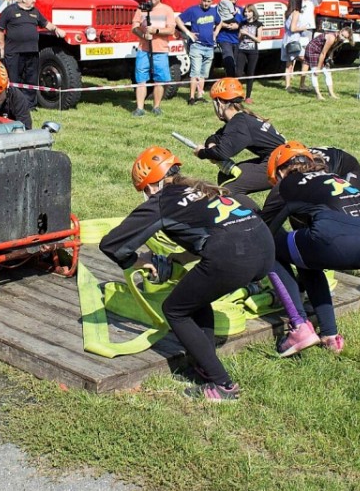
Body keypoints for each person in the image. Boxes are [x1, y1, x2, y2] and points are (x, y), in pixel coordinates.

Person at [99, 147, 273, 402]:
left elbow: (112, 244)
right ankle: (205, 362)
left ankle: (223, 386)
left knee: (175, 309)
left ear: (151, 186)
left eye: (144, 191)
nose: (146, 196)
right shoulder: (203, 188)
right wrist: (179, 258)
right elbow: (218, 228)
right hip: (265, 249)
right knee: (194, 299)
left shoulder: (161, 201)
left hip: (235, 256)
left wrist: (137, 260)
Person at [262, 141, 360, 356]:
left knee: (269, 246)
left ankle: (299, 325)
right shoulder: (332, 176)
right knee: (306, 256)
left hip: (338, 241)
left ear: (280, 171)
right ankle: (330, 335)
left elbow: (264, 231)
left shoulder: (287, 184)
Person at [195, 77, 286, 197]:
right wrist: (211, 145)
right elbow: (215, 137)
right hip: (276, 159)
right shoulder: (240, 119)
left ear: (220, 103)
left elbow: (223, 153)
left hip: (282, 164)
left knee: (228, 188)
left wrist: (202, 153)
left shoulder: (239, 123)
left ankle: (251, 216)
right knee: (225, 175)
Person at [0, 0, 62, 104]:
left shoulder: (35, 12)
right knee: (14, 80)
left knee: (31, 79)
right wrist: (2, 48)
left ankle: (30, 104)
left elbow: (46, 23)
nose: (35, 0)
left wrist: (56, 29)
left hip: (32, 52)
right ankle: (13, 103)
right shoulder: (10, 11)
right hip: (14, 52)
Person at [131, 0, 176, 117]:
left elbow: (171, 30)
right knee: (141, 79)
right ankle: (139, 108)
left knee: (159, 80)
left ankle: (156, 107)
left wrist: (156, 31)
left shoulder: (167, 10)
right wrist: (143, 35)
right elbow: (134, 27)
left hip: (160, 50)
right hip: (143, 50)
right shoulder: (142, 9)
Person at [176, 0, 220, 104]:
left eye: (208, 1)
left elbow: (220, 22)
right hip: (197, 46)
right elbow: (178, 19)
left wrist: (215, 33)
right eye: (204, 0)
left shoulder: (214, 11)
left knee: (203, 74)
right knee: (195, 72)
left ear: (212, 1)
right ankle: (191, 97)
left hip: (209, 46)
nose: (206, 3)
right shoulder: (193, 10)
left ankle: (200, 95)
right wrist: (188, 33)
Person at [282, 0, 311, 90]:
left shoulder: (287, 12)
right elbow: (293, 28)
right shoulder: (296, 13)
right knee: (305, 60)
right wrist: (303, 28)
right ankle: (301, 84)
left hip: (286, 40)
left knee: (289, 64)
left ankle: (288, 85)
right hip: (293, 40)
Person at [236, 4, 261, 103]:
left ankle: (248, 96)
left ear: (253, 12)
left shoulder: (258, 24)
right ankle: (238, 94)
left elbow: (259, 40)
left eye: (249, 12)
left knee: (250, 73)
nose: (246, 14)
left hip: (252, 51)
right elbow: (239, 38)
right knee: (238, 72)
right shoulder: (242, 23)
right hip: (241, 50)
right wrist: (241, 34)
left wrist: (248, 34)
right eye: (245, 12)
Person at [303, 30, 338, 99]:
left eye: (345, 37)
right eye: (343, 35)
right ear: (340, 32)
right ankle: (318, 94)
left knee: (328, 72)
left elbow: (331, 50)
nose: (343, 37)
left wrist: (329, 59)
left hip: (321, 51)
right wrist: (318, 68)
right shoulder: (332, 37)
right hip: (312, 50)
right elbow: (323, 53)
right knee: (315, 72)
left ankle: (331, 93)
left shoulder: (340, 40)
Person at [215, 0, 241, 77]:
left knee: (238, 65)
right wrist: (227, 25)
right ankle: (230, 81)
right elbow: (214, 21)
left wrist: (237, 26)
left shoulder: (241, 10)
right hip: (224, 38)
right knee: (229, 61)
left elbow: (246, 24)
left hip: (237, 39)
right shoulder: (219, 8)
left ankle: (236, 81)